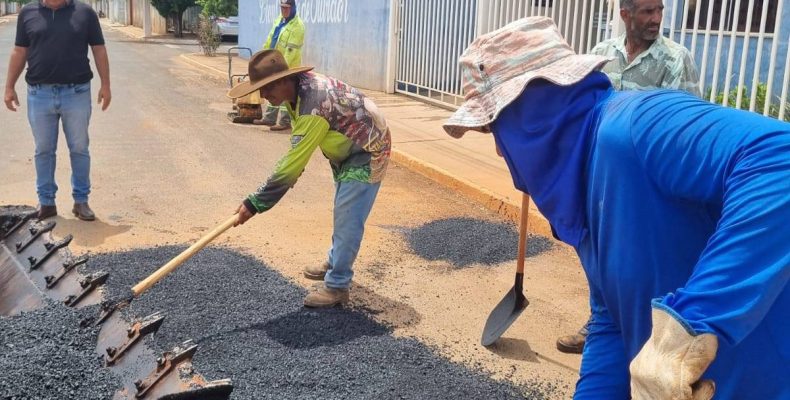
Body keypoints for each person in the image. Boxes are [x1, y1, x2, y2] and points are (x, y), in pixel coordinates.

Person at [445, 17, 788, 399]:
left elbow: (780, 159)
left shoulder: (634, 128)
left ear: (536, 109)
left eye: (496, 129)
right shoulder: (582, 193)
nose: (498, 149)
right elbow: (611, 319)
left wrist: (691, 325)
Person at [556, 0, 701, 354]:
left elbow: (684, 125)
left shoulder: (675, 59)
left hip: (647, 184)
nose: (655, 19)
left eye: (659, 11)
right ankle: (600, 322)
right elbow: (582, 108)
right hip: (601, 176)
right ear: (625, 14)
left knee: (644, 260)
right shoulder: (602, 54)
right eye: (647, 12)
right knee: (598, 253)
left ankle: (654, 338)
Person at [228, 49, 391, 308]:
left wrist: (255, 203)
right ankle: (336, 261)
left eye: (266, 88)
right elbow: (298, 155)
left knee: (348, 216)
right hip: (346, 148)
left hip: (368, 149)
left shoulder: (312, 104)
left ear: (283, 81)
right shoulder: (296, 93)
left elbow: (291, 166)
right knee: (342, 210)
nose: (263, 95)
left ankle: (337, 285)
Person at [4, 0, 111, 221]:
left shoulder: (85, 12)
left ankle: (81, 201)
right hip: (39, 94)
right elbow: (19, 50)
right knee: (43, 150)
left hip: (77, 92)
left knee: (79, 148)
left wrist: (106, 85)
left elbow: (98, 48)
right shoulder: (28, 12)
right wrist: (9, 87)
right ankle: (47, 202)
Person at [253, 0, 305, 131]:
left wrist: (281, 70)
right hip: (273, 64)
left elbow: (291, 51)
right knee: (271, 90)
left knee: (284, 92)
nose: (284, 11)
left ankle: (285, 121)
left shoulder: (298, 26)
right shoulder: (279, 20)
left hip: (287, 66)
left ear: (293, 8)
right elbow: (271, 40)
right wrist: (262, 59)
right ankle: (269, 118)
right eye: (282, 8)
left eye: (287, 8)